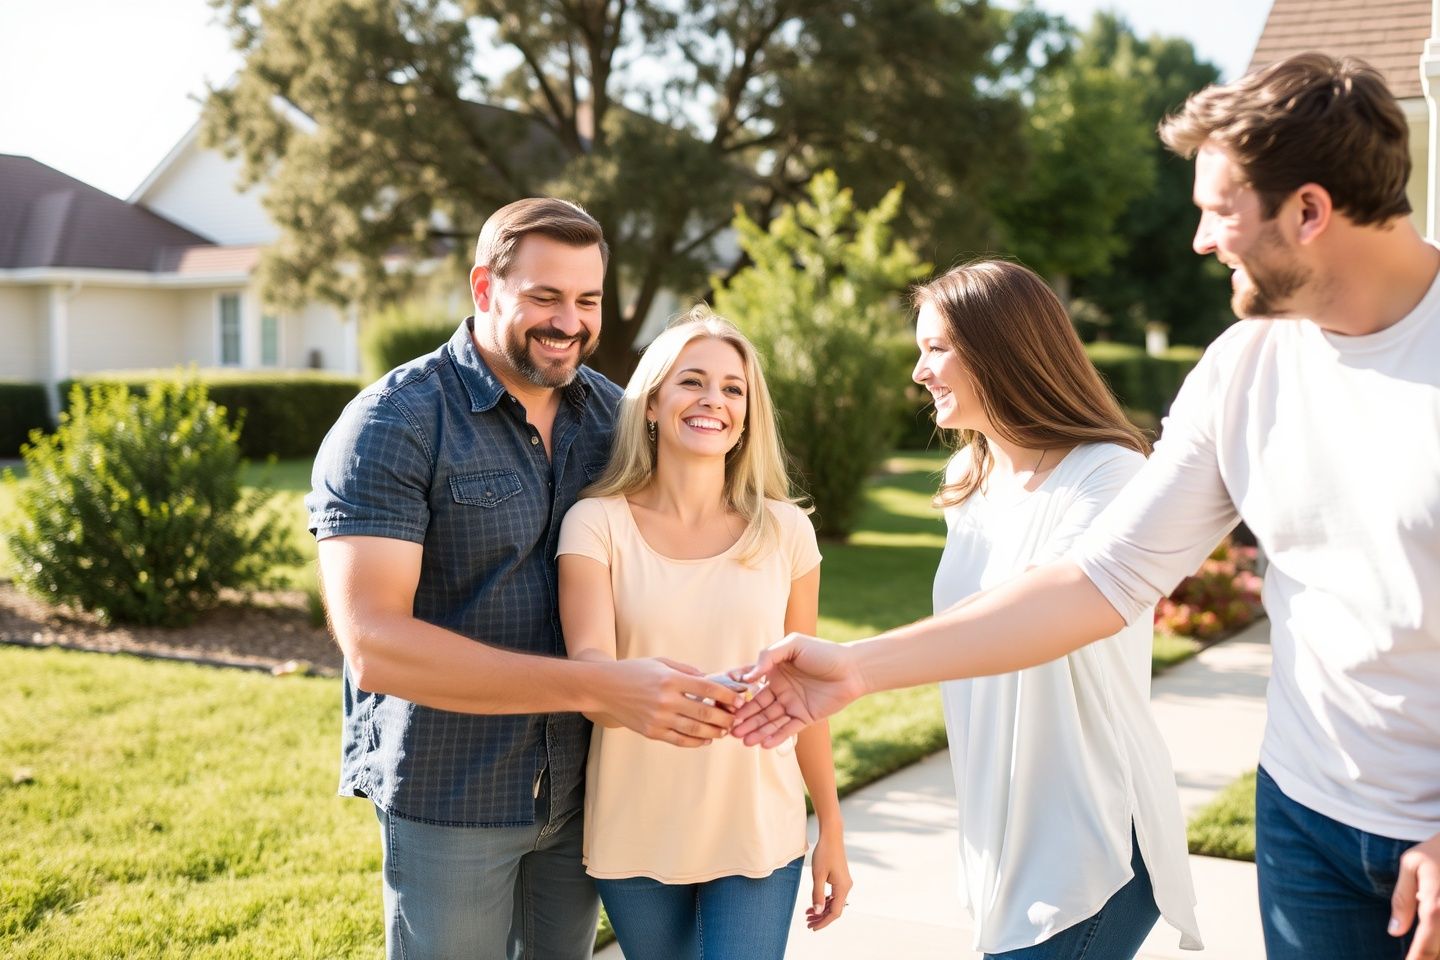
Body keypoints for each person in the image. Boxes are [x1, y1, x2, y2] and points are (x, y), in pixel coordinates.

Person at [733, 52, 1440, 960]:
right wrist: (859, 667)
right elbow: (1099, 580)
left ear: (1308, 211)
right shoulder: (1244, 369)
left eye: (1219, 211)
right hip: (1305, 813)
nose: (1200, 239)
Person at [306, 198, 746, 960]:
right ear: (484, 289)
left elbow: (700, 528)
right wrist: (596, 688)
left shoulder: (615, 419)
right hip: (452, 794)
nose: (569, 322)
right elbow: (375, 643)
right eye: (544, 297)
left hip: (584, 795)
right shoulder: (393, 424)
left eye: (587, 300)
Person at [898, 260, 1201, 958]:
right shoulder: (966, 480)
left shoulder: (1109, 474)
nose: (919, 372)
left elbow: (1042, 608)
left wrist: (857, 668)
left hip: (1092, 838)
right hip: (1004, 831)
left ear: (1000, 347)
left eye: (935, 348)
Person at [556, 307, 851, 960]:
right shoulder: (595, 525)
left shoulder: (786, 532)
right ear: (653, 403)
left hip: (756, 828)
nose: (713, 400)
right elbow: (591, 677)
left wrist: (830, 824)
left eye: (732, 388)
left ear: (748, 414)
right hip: (636, 827)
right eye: (692, 381)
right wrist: (677, 695)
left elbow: (807, 695)